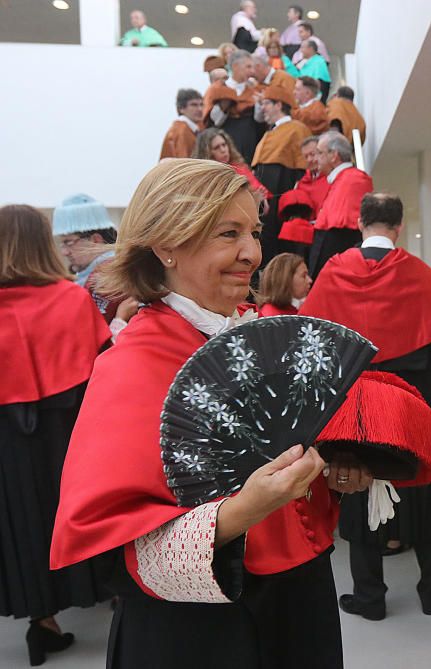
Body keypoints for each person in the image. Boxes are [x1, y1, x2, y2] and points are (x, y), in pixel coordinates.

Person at [50, 159, 372, 669]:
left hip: (299, 598)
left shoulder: (255, 339)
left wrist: (330, 473)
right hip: (199, 630)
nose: (253, 252)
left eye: (253, 231)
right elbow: (117, 537)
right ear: (167, 245)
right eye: (228, 233)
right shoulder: (133, 366)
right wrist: (246, 509)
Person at [300, 192, 431, 621]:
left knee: (355, 482)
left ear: (359, 222)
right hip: (414, 392)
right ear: (400, 225)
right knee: (427, 485)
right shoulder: (419, 273)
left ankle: (369, 597)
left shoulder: (334, 272)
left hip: (358, 394)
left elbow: (315, 338)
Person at [0, 205, 110, 666]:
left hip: (7, 444)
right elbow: (107, 369)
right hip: (70, 435)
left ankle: (41, 624)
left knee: (21, 524)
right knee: (81, 512)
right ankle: (115, 600)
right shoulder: (71, 299)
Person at [251, 86, 311, 267]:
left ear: (278, 105)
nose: (262, 108)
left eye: (266, 103)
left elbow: (303, 165)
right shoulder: (269, 131)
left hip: (281, 193)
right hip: (262, 195)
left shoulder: (297, 128)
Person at [51, 194, 126, 324]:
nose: (64, 252)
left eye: (69, 242)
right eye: (62, 244)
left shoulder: (105, 276)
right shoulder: (108, 269)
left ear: (95, 240)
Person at [308, 131, 372, 278]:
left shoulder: (355, 179)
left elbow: (344, 234)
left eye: (318, 153)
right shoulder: (341, 179)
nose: (315, 159)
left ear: (334, 155)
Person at [202, 50, 263, 164]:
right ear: (235, 67)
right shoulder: (218, 89)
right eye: (248, 67)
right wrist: (224, 105)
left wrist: (259, 103)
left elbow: (259, 119)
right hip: (226, 137)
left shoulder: (254, 90)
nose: (252, 71)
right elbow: (215, 121)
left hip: (250, 140)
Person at [194, 128, 271, 206]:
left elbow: (262, 197)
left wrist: (260, 200)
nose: (223, 150)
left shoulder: (240, 167)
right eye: (216, 148)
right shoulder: (207, 178)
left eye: (224, 145)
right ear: (207, 153)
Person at [258, 252, 311, 316]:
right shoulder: (272, 318)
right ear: (286, 279)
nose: (310, 280)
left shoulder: (297, 309)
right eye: (304, 276)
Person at [159, 89, 203, 160]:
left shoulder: (192, 130)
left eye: (201, 105)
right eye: (194, 105)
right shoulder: (182, 131)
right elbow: (184, 162)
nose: (200, 109)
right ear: (181, 108)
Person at [293, 135, 330, 214]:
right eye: (306, 157)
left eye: (312, 154)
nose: (309, 159)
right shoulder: (301, 184)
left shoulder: (332, 178)